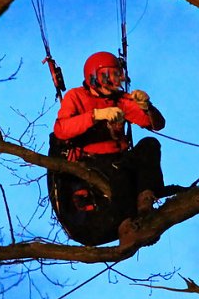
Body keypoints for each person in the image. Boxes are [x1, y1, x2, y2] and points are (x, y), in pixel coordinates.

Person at [49, 51, 166, 246]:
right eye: (107, 76)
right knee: (117, 174)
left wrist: (147, 107)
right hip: (91, 161)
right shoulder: (76, 96)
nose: (113, 83)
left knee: (149, 145)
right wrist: (96, 115)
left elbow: (156, 125)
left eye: (115, 76)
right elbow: (61, 130)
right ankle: (127, 226)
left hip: (118, 158)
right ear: (94, 77)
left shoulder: (120, 99)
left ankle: (146, 201)